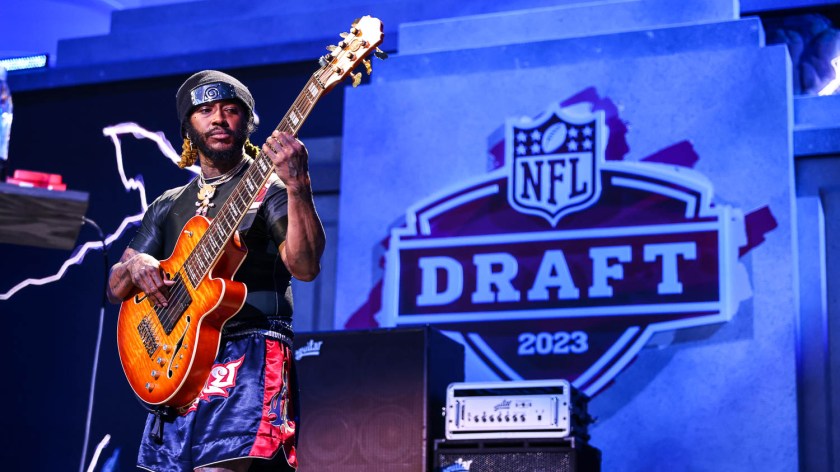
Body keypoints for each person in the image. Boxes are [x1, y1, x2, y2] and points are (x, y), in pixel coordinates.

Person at [107, 70, 326, 472]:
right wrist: (136, 264)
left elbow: (306, 266)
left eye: (230, 110)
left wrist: (298, 184)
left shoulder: (271, 191)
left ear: (248, 123)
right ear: (187, 128)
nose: (219, 119)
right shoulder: (168, 203)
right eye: (205, 111)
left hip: (249, 350)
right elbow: (115, 286)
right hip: (178, 358)